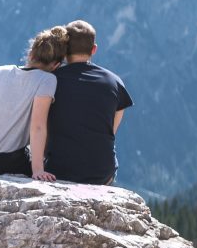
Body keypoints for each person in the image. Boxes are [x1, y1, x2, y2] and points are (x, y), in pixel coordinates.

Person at [0, 26, 68, 180]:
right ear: (56, 65)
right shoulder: (47, 80)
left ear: (31, 54)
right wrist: (37, 170)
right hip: (8, 164)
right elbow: (37, 126)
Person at [44, 19, 132, 185]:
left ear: (64, 49)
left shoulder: (50, 82)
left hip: (58, 171)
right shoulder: (114, 82)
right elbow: (110, 130)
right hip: (102, 174)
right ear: (94, 49)